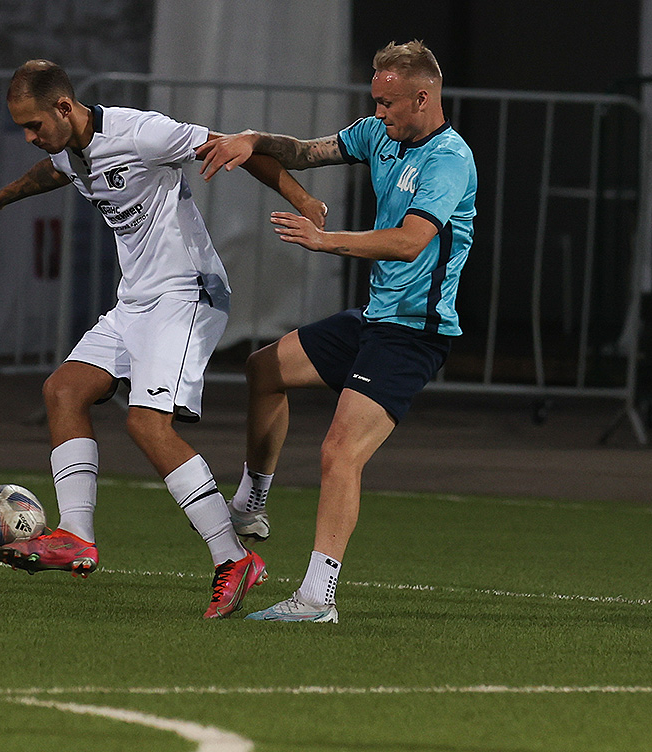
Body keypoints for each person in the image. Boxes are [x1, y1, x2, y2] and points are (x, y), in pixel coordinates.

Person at [0, 59, 327, 619]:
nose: (29, 137)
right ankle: (76, 535)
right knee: (63, 390)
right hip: (135, 301)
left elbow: (234, 148)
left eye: (33, 125)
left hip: (186, 292)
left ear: (64, 107)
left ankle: (233, 558)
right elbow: (53, 172)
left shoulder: (142, 132)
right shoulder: (70, 149)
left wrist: (303, 201)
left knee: (146, 423)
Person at [196, 40, 477, 623]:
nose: (378, 112)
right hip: (374, 320)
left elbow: (410, 241)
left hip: (414, 333)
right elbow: (303, 152)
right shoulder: (380, 135)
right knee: (263, 370)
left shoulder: (449, 159)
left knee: (339, 452)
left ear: (423, 98)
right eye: (375, 101)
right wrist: (251, 139)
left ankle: (316, 598)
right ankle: (251, 503)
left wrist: (325, 241)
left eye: (388, 103)